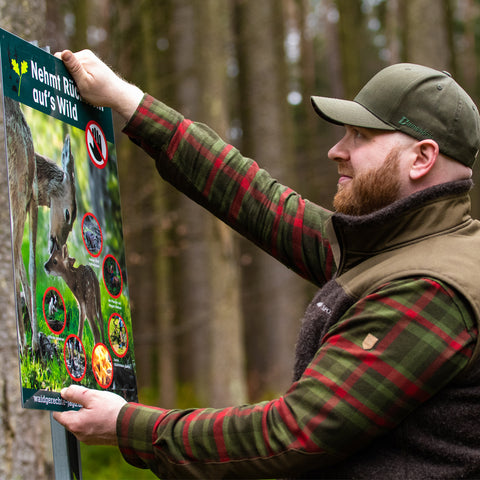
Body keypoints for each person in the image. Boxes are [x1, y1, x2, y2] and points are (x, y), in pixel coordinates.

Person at [53, 49, 480, 479]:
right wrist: (128, 102)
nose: (337, 150)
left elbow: (291, 434)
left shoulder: (430, 289)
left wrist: (126, 425)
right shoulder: (401, 245)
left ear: (422, 158)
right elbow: (263, 203)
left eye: (360, 136)